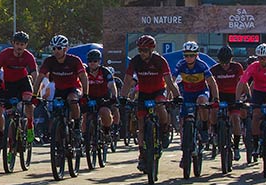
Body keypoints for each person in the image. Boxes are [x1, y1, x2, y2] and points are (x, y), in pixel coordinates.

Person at [121, 35, 180, 172]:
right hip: (143, 93)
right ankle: (142, 155)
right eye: (140, 50)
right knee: (141, 125)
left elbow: (169, 82)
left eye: (145, 50)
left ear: (152, 49)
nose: (142, 53)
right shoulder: (136, 61)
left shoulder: (160, 61)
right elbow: (128, 80)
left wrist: (177, 96)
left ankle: (165, 129)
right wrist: (123, 96)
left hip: (158, 91)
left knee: (161, 107)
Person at [34, 34, 89, 144]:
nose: (56, 51)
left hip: (74, 88)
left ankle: (77, 127)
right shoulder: (49, 61)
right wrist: (35, 95)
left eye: (59, 48)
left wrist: (86, 94)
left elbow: (83, 77)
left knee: (72, 100)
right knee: (56, 113)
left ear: (65, 49)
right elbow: (40, 77)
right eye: (53, 48)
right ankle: (58, 138)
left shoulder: (74, 60)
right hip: (59, 90)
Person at [0, 31, 39, 143]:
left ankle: (30, 125)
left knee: (28, 101)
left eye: (22, 44)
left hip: (23, 81)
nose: (19, 47)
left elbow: (35, 75)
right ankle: (11, 144)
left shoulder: (29, 56)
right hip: (9, 84)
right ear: (13, 43)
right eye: (17, 44)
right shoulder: (5, 54)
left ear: (26, 45)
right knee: (9, 115)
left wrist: (35, 94)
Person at [174, 41, 219, 145]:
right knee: (182, 122)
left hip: (201, 91)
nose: (188, 58)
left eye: (191, 55)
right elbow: (172, 81)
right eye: (186, 55)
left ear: (196, 55)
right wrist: (170, 96)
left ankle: (204, 128)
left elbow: (212, 82)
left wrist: (216, 98)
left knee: (202, 102)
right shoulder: (181, 64)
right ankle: (185, 148)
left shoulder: (202, 65)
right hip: (187, 93)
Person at [209, 45, 245, 160]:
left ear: (231, 59)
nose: (224, 65)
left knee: (235, 118)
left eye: (227, 62)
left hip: (233, 96)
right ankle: (215, 132)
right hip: (219, 96)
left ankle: (236, 147)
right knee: (214, 111)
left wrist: (247, 95)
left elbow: (243, 82)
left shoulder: (237, 67)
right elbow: (209, 85)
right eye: (222, 62)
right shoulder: (214, 69)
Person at [83, 48, 119, 140]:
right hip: (89, 97)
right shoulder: (84, 72)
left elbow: (112, 85)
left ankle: (107, 131)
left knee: (105, 113)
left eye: (95, 61)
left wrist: (114, 96)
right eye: (90, 61)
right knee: (85, 116)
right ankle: (84, 137)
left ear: (99, 61)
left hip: (103, 98)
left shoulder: (105, 72)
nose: (92, 63)